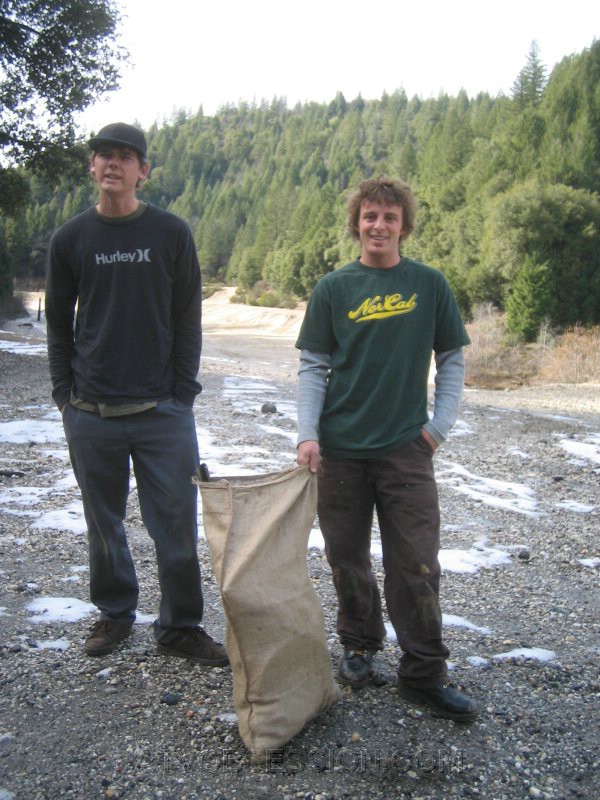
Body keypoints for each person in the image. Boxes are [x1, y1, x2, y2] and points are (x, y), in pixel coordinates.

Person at [45, 122, 228, 666]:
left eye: (126, 157)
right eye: (104, 156)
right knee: (103, 522)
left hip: (162, 413)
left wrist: (182, 392)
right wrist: (64, 396)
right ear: (92, 167)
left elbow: (187, 318)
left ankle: (179, 626)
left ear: (143, 171)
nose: (113, 165)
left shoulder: (170, 233)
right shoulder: (70, 239)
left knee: (175, 524)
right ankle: (115, 612)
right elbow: (57, 325)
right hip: (91, 411)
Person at [295, 177, 477, 722]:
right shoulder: (334, 288)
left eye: (389, 217)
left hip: (406, 451)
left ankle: (423, 673)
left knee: (416, 563)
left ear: (404, 224)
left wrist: (437, 427)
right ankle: (358, 647)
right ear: (357, 222)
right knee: (346, 557)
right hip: (339, 451)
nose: (379, 225)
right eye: (370, 216)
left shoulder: (428, 284)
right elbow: (313, 367)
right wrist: (308, 433)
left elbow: (452, 358)